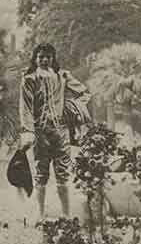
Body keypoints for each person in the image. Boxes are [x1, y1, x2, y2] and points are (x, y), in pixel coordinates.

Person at [19, 42, 91, 224]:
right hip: (40, 131)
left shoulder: (62, 76)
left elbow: (84, 93)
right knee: (41, 173)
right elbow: (25, 107)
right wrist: (28, 130)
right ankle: (40, 215)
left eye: (48, 57)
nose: (44, 60)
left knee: (63, 172)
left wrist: (72, 107)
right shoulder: (30, 79)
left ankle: (66, 215)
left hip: (61, 131)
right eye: (41, 56)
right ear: (35, 58)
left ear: (53, 58)